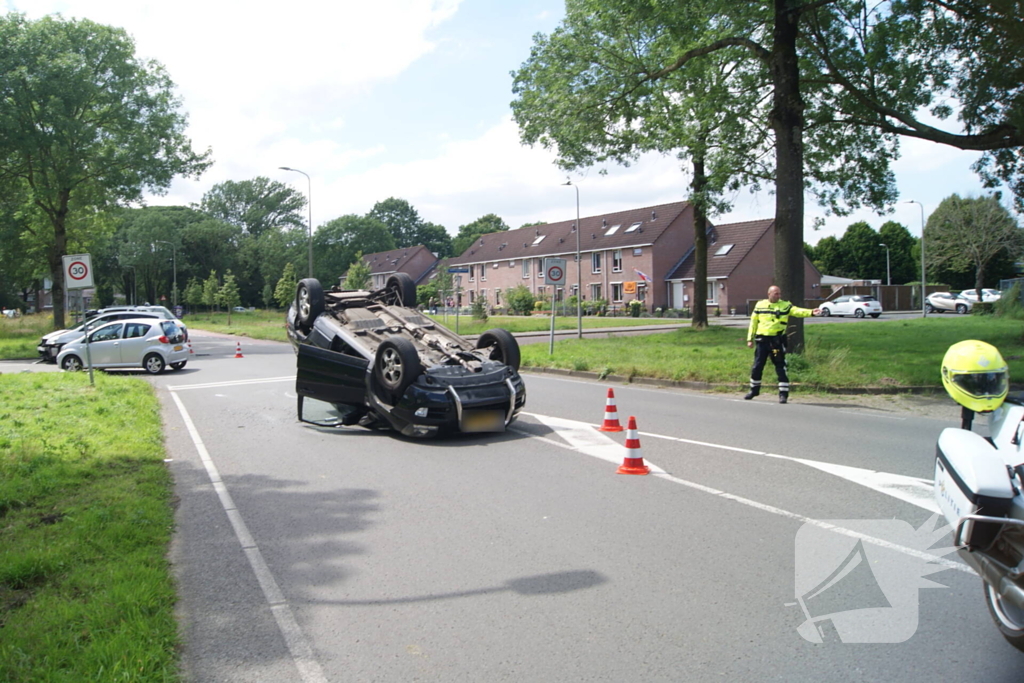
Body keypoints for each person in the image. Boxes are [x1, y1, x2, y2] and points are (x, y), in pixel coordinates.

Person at [745, 285, 821, 403]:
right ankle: (754, 390)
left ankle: (783, 394)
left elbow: (797, 311)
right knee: (757, 366)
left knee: (780, 366)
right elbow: (753, 322)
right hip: (762, 342)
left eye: (779, 294)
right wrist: (750, 339)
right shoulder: (760, 305)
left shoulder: (785, 305)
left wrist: (811, 312)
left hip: (775, 343)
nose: (778, 296)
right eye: (776, 294)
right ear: (769, 293)